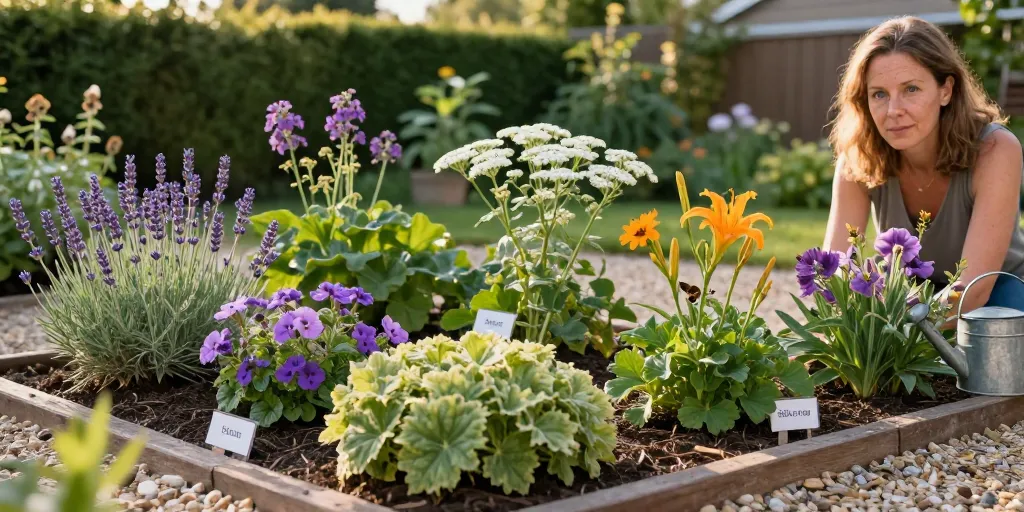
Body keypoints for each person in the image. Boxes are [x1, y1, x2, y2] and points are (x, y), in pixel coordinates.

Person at [823, 15, 1024, 313]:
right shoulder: (859, 156)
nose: (893, 110)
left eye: (911, 89)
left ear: (946, 90)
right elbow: (834, 271)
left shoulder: (995, 149)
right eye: (879, 94)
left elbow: (973, 289)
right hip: (903, 293)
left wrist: (895, 329)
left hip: (997, 295)